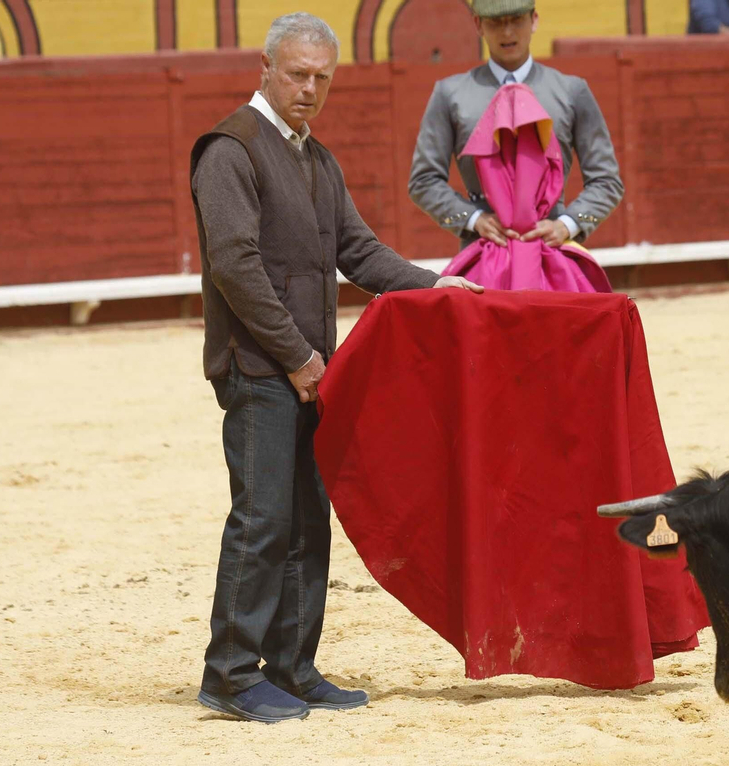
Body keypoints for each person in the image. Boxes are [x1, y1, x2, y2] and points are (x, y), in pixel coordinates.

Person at [190, 12, 482, 724]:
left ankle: (290, 667)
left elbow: (359, 252)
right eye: (297, 74)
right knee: (262, 521)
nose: (309, 89)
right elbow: (235, 265)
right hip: (261, 368)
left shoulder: (316, 160)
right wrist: (297, 357)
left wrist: (433, 285)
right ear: (266, 68)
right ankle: (229, 672)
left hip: (311, 373)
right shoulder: (231, 149)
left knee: (305, 522)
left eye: (322, 78)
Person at [409, 0, 623, 251]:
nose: (507, 32)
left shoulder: (573, 91)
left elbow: (607, 181)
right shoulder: (450, 94)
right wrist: (473, 219)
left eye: (516, 20)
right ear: (478, 25)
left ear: (534, 20)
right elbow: (423, 181)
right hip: (483, 247)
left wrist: (567, 224)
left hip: (552, 245)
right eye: (496, 22)